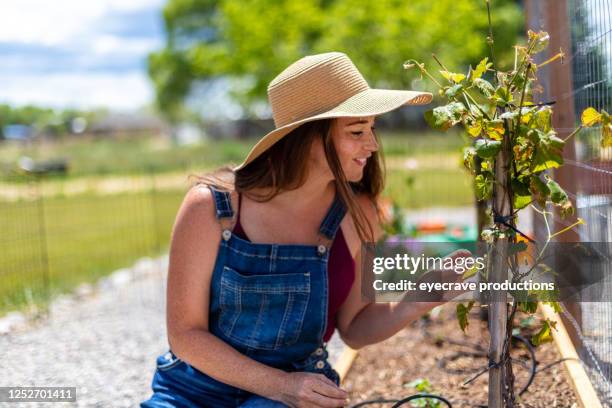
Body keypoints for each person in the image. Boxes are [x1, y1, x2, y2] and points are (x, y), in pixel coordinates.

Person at [141, 51, 467, 408]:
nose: (372, 145)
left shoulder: (360, 214)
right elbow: (185, 335)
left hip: (297, 395)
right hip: (195, 391)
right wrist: (279, 384)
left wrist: (416, 301)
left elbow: (354, 327)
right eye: (357, 131)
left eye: (371, 129)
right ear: (306, 137)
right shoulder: (212, 207)